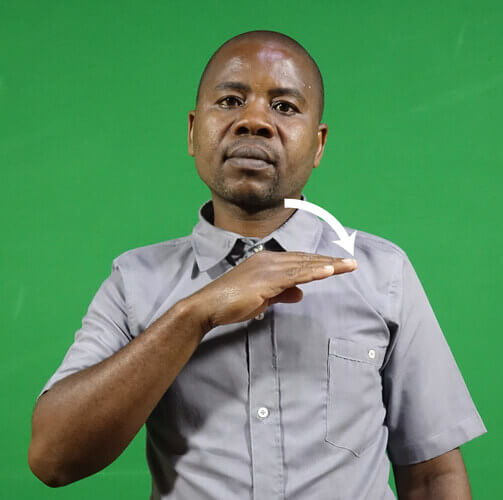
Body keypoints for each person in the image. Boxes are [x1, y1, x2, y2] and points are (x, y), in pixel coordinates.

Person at [28, 30, 487, 499]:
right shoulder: (134, 281)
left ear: (318, 144)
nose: (254, 121)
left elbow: (433, 478)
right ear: (193, 131)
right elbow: (53, 459)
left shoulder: (382, 273)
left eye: (284, 107)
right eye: (230, 101)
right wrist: (197, 312)